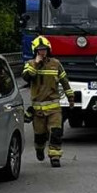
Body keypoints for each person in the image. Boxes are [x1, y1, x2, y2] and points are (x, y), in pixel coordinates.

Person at [22, 36, 74, 168]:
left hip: (54, 107)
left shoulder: (55, 64)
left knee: (56, 132)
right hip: (38, 109)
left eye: (44, 50)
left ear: (48, 50)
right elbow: (27, 77)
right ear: (35, 51)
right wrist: (36, 62)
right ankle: (39, 149)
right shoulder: (29, 64)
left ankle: (55, 157)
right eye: (39, 50)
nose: (42, 52)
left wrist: (71, 97)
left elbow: (64, 81)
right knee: (40, 136)